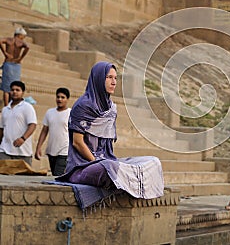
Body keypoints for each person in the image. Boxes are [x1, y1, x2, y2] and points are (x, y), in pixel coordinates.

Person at [56, 61, 164, 200]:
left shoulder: (111, 108)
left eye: (115, 78)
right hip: (84, 167)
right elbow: (77, 142)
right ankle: (124, 178)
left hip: (107, 162)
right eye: (109, 77)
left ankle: (124, 177)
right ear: (99, 78)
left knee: (153, 162)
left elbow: (108, 150)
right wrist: (96, 162)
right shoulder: (83, 106)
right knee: (108, 167)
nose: (113, 82)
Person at [34, 88, 71, 176]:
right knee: (54, 175)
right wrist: (38, 147)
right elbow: (44, 131)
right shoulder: (49, 112)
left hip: (64, 150)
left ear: (67, 99)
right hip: (51, 150)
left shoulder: (71, 113)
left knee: (58, 174)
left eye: (63, 97)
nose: (60, 99)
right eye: (58, 97)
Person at [0, 81, 37, 165]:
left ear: (22, 92)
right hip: (5, 151)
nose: (14, 92)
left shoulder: (27, 107)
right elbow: (1, 129)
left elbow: (32, 125)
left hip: (23, 152)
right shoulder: (5, 109)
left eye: (17, 90)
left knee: (22, 178)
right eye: (12, 90)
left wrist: (23, 138)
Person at [0, 28, 30, 107]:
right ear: (20, 35)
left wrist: (5, 53)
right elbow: (28, 47)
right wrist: (20, 58)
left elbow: (0, 41)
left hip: (8, 63)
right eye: (23, 36)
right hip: (16, 64)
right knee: (14, 86)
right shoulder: (20, 42)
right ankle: (10, 105)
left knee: (6, 89)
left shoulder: (9, 40)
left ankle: (6, 106)